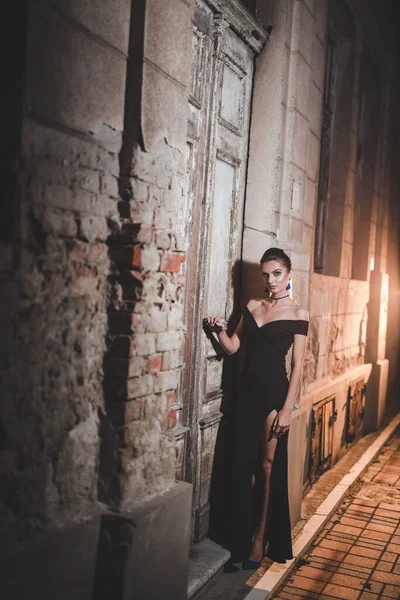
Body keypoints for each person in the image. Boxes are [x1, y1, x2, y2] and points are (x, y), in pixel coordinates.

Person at [206, 247, 309, 569]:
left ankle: (259, 540)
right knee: (241, 467)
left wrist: (287, 410)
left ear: (289, 274)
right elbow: (233, 347)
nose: (271, 281)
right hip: (246, 395)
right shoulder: (252, 306)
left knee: (265, 469)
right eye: (266, 274)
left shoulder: (298, 314)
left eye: (277, 273)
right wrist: (218, 330)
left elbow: (299, 367)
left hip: (274, 397)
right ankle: (238, 536)